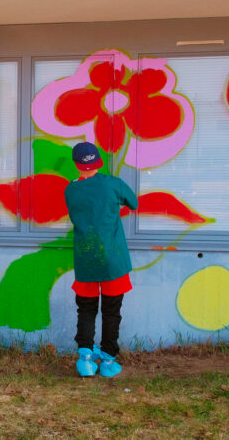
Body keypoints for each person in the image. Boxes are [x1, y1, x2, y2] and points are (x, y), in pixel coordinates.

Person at [64, 142, 138, 378]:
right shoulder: (113, 184)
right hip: (113, 261)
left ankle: (85, 361)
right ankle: (107, 362)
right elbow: (133, 203)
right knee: (111, 311)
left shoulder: (70, 190)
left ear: (77, 164)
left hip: (86, 261)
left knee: (85, 311)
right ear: (98, 161)